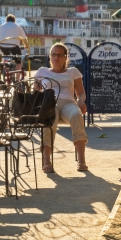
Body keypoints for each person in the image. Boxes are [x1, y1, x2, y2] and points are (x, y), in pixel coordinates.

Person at [34, 43, 88, 173]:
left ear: (65, 57)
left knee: (76, 115)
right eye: (53, 54)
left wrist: (81, 101)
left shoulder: (73, 71)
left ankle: (81, 160)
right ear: (50, 56)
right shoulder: (42, 71)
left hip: (68, 102)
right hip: (49, 102)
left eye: (59, 55)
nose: (56, 58)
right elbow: (35, 92)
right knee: (49, 118)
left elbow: (80, 92)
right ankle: (46, 159)